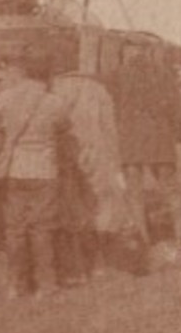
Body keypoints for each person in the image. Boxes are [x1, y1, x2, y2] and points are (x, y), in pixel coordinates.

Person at [0, 44, 73, 298]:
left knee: (15, 230)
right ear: (47, 73)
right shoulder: (54, 102)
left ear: (26, 71)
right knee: (42, 228)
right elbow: (64, 128)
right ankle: (45, 285)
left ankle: (16, 285)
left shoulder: (5, 98)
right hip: (44, 171)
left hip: (13, 170)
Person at [50, 70, 129, 285]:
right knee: (101, 206)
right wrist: (116, 163)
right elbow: (110, 130)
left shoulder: (54, 88)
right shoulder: (98, 89)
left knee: (73, 209)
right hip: (98, 152)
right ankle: (99, 263)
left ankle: (77, 265)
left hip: (68, 154)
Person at [111, 42, 181, 261]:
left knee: (134, 192)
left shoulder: (119, 74)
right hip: (160, 137)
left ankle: (144, 240)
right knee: (171, 189)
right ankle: (180, 238)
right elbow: (177, 108)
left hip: (131, 139)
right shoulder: (164, 75)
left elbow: (113, 104)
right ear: (147, 52)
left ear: (127, 52)